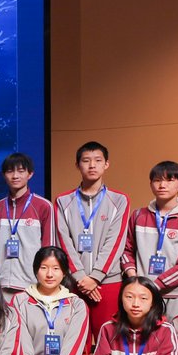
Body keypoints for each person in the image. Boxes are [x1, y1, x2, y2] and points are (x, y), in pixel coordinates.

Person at [54, 141, 129, 335]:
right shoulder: (63, 201)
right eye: (86, 161)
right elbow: (63, 242)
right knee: (75, 338)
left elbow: (115, 242)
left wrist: (95, 277)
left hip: (108, 282)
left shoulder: (119, 200)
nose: (92, 165)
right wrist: (80, 277)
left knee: (108, 337)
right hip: (74, 282)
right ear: (77, 165)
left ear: (106, 164)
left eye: (98, 160)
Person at [121, 161, 178, 317]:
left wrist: (154, 285)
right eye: (157, 180)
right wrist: (134, 279)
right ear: (151, 184)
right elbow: (126, 250)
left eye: (169, 180)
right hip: (142, 296)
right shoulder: (138, 215)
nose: (162, 185)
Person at [0, 152, 55, 298]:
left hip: (31, 284)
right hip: (0, 284)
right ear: (4, 175)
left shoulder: (43, 206)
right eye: (10, 171)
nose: (15, 176)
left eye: (21, 171)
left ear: (30, 174)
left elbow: (48, 247)